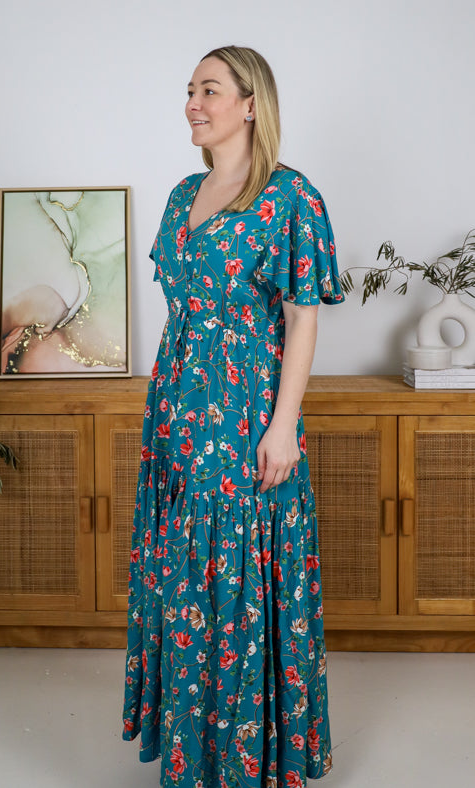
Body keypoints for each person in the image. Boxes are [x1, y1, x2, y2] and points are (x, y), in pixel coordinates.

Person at [122, 45, 344, 788]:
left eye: (208, 90)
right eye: (190, 90)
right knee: (185, 578)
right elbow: (183, 313)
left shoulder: (289, 196)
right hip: (178, 412)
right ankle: (197, 753)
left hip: (247, 412)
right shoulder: (183, 195)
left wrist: (284, 425)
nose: (193, 102)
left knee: (241, 574)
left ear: (251, 104)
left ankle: (248, 756)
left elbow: (303, 318)